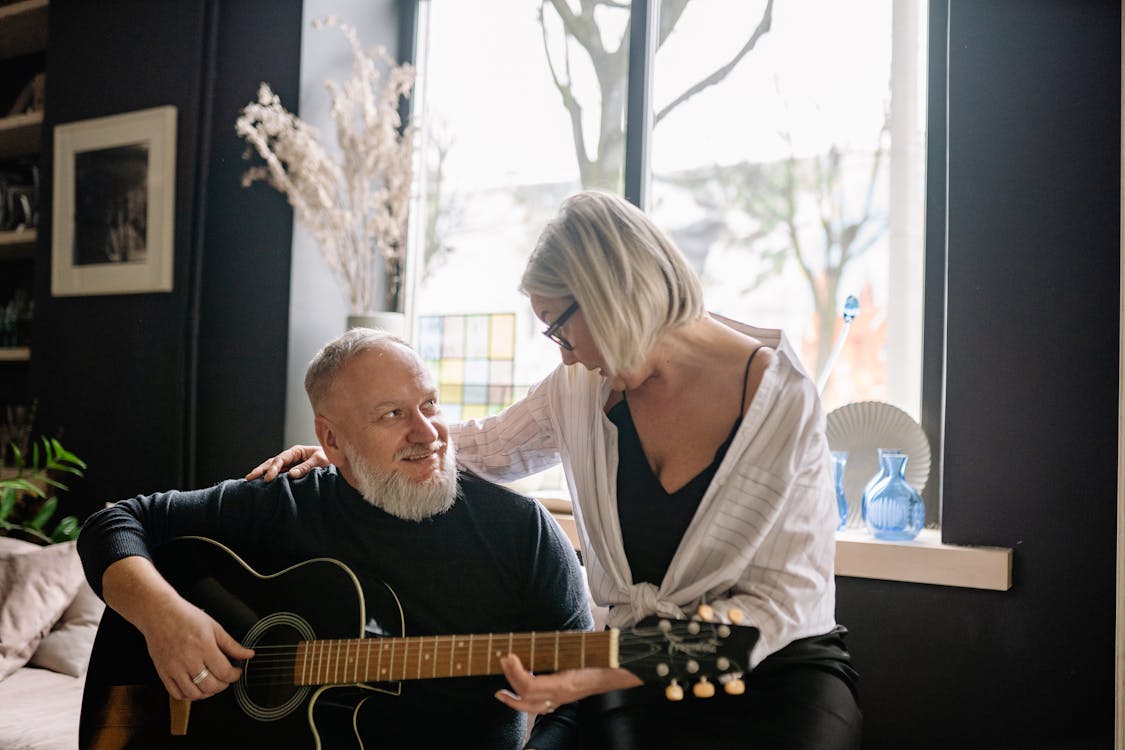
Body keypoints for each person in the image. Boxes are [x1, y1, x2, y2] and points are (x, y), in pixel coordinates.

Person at [250, 191, 862, 749]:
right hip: (627, 666)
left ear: (610, 297)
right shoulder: (578, 387)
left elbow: (783, 602)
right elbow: (486, 446)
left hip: (778, 667)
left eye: (559, 329)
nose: (563, 354)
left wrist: (608, 671)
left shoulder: (782, 399)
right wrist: (354, 452)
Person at [77, 329, 593, 749]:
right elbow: (115, 523)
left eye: (430, 404)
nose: (428, 432)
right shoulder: (287, 502)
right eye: (392, 414)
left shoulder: (521, 531)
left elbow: (581, 696)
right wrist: (163, 617)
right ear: (330, 440)